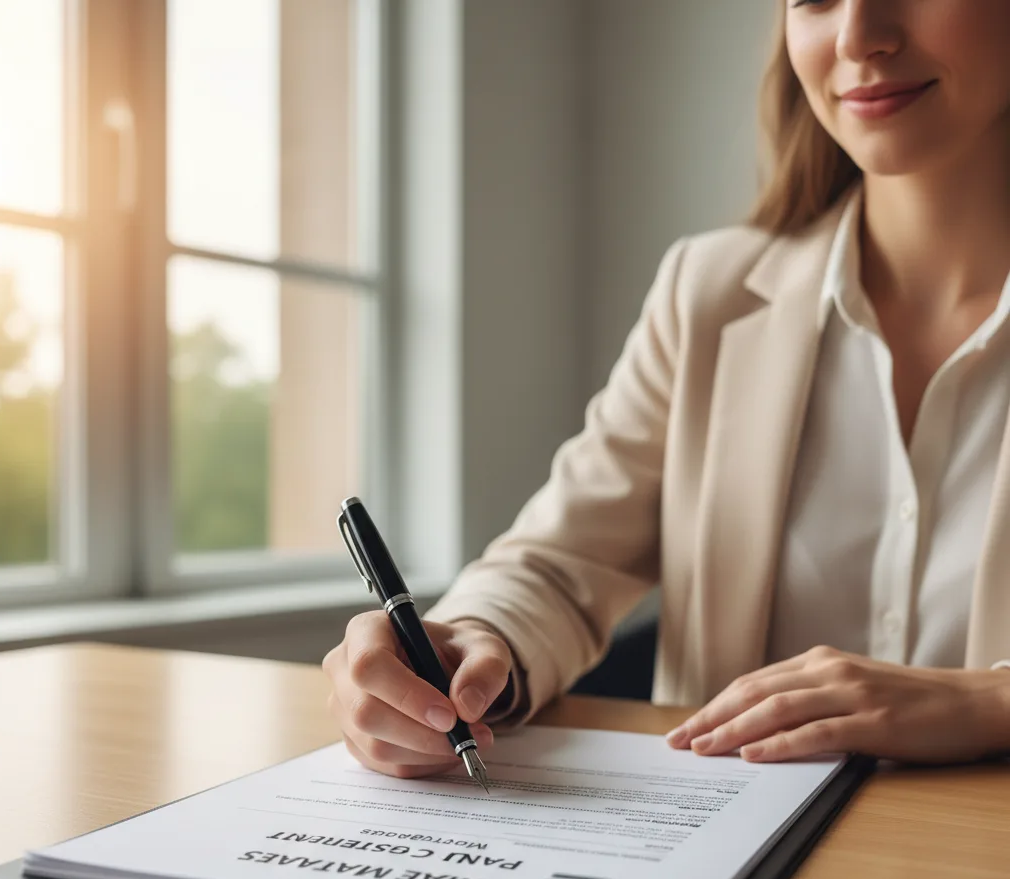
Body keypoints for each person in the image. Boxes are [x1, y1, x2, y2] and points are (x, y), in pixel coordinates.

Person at [323, 0, 1010, 777]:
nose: (858, 36)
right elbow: (558, 561)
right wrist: (471, 642)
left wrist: (986, 704)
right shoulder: (708, 294)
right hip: (731, 869)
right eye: (814, 0)